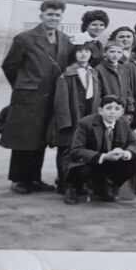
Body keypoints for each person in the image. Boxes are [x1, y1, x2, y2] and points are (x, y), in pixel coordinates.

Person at [0, 0, 71, 194]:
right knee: (24, 139)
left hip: (52, 98)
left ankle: (35, 179)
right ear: (41, 16)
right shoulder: (25, 39)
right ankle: (19, 180)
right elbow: (10, 66)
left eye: (57, 15)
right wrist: (24, 86)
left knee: (40, 139)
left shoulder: (64, 39)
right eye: (49, 14)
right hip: (29, 98)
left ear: (61, 17)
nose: (53, 18)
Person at [50, 41, 102, 194]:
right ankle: (64, 182)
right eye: (79, 51)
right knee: (66, 151)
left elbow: (96, 96)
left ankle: (80, 183)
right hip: (72, 120)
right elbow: (61, 102)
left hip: (88, 118)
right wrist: (65, 122)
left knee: (84, 151)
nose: (83, 54)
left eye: (87, 51)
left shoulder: (93, 73)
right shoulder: (67, 74)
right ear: (74, 54)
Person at [67, 97, 136, 202]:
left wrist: (125, 153)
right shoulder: (86, 123)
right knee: (82, 170)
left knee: (134, 161)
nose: (112, 112)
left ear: (122, 112)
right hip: (89, 162)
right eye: (108, 108)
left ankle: (107, 187)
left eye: (117, 109)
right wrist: (103, 156)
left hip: (109, 162)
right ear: (100, 110)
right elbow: (76, 150)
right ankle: (75, 188)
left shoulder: (123, 123)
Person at [96, 40, 134, 125]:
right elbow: (98, 93)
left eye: (119, 52)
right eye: (112, 51)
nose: (115, 54)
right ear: (105, 53)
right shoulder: (99, 69)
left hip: (122, 108)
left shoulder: (124, 69)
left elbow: (128, 89)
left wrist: (130, 108)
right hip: (108, 109)